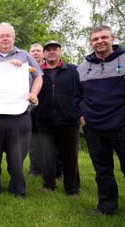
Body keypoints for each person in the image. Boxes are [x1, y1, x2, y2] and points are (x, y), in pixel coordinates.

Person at [0, 22, 42, 197]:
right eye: (1, 36)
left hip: (20, 115)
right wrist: (6, 64)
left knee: (17, 157)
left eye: (8, 35)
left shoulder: (25, 55)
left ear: (13, 37)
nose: (5, 39)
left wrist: (33, 93)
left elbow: (38, 77)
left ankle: (18, 189)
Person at [76, 25, 125, 216]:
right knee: (102, 171)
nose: (99, 41)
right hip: (94, 128)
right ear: (91, 42)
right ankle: (107, 208)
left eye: (103, 37)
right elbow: (76, 97)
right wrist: (82, 118)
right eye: (95, 39)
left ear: (112, 38)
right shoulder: (83, 68)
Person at [35, 41, 80, 195]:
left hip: (69, 121)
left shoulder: (73, 70)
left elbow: (81, 93)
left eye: (55, 49)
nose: (51, 52)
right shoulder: (37, 72)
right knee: (48, 155)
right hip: (45, 121)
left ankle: (72, 188)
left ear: (60, 51)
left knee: (70, 157)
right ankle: (48, 185)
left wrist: (77, 112)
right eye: (48, 50)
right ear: (44, 54)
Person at [28, 43, 44, 177]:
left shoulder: (48, 68)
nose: (35, 53)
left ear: (43, 54)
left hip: (47, 111)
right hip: (31, 111)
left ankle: (57, 170)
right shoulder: (27, 68)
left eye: (38, 51)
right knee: (33, 142)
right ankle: (34, 169)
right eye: (33, 51)